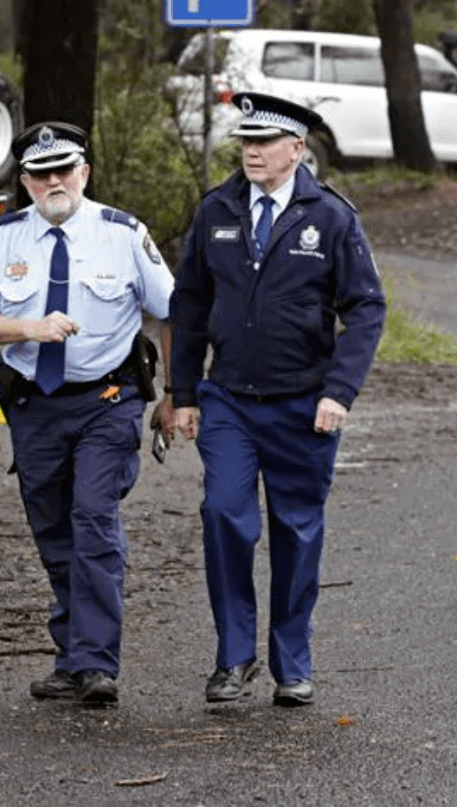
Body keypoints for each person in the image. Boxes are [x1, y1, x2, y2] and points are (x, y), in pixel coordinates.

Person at [169, 92, 386, 707]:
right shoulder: (216, 210)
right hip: (230, 402)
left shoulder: (332, 217)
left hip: (304, 405)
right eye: (246, 142)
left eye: (265, 143)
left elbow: (366, 307)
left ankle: (293, 662)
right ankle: (234, 659)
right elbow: (187, 307)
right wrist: (182, 393)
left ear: (298, 148)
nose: (252, 152)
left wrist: (339, 391)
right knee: (223, 514)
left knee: (296, 531)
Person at [0, 121, 176, 706]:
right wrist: (29, 327)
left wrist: (175, 393)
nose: (55, 182)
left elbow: (171, 311)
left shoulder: (123, 234)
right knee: (53, 530)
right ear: (25, 181)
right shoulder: (3, 238)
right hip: (35, 406)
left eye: (65, 170)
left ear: (84, 172)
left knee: (93, 520)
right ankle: (72, 655)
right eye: (41, 173)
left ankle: (97, 662)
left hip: (107, 401)